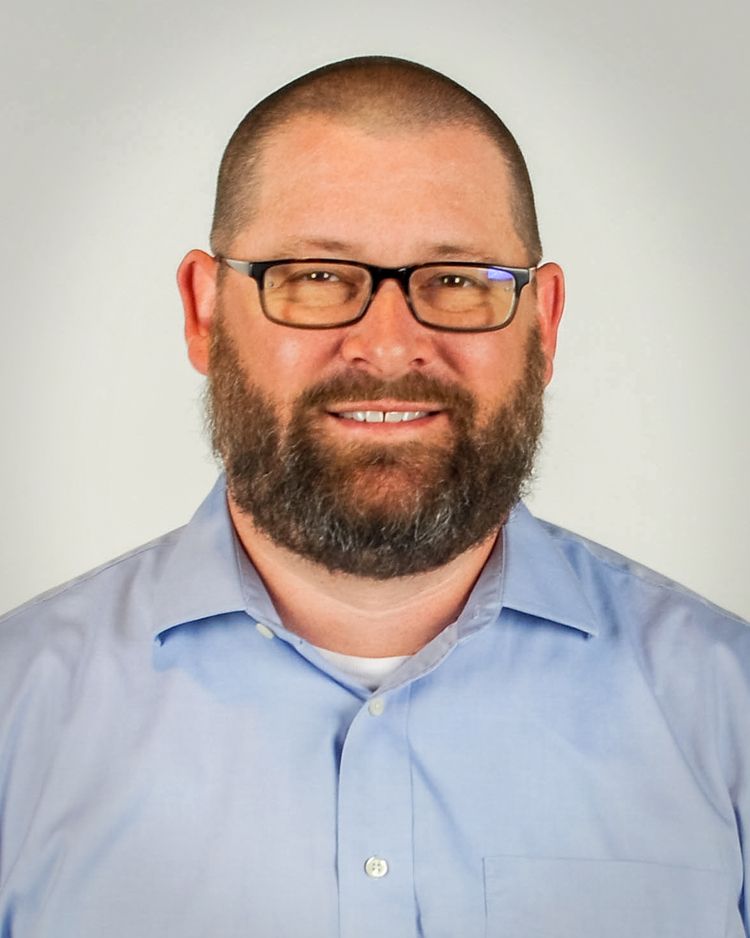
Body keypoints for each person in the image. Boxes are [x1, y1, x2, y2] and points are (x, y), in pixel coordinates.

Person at [0, 55, 747, 938]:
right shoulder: (18, 718)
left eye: (459, 280)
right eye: (316, 277)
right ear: (203, 312)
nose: (389, 346)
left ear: (544, 323)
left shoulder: (727, 712)